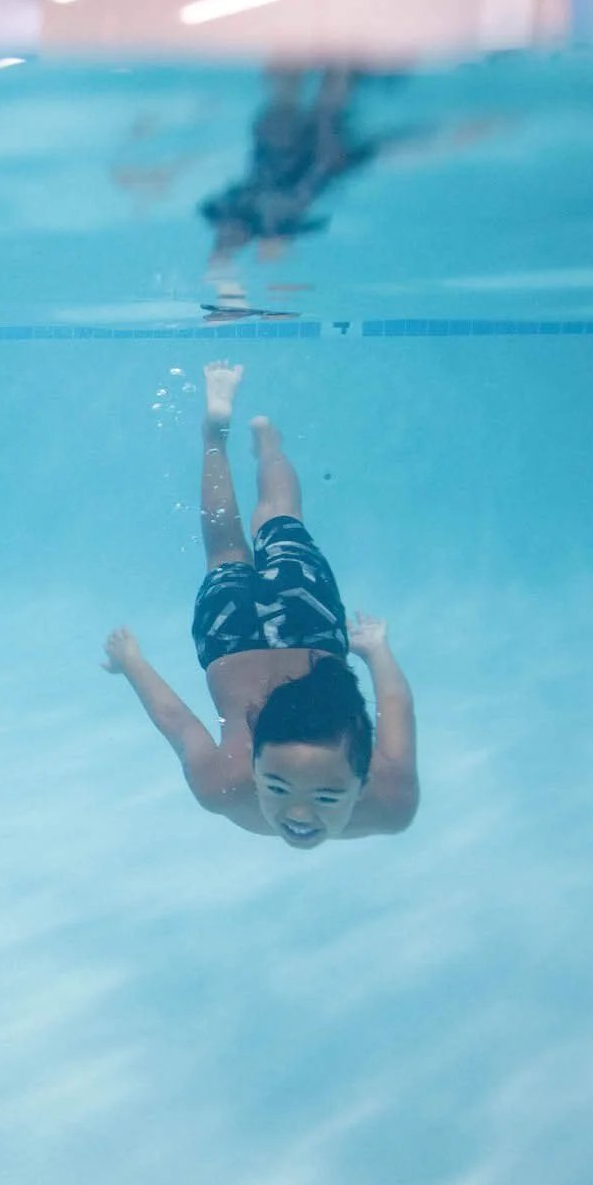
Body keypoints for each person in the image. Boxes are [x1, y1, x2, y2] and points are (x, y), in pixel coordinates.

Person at [102, 361, 417, 846]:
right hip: (234, 637)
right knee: (227, 546)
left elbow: (393, 703)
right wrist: (131, 663)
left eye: (330, 796)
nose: (298, 812)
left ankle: (262, 442)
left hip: (306, 624)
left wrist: (376, 654)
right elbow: (177, 720)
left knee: (277, 517)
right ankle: (219, 437)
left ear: (363, 779)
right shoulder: (387, 805)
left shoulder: (225, 788)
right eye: (277, 785)